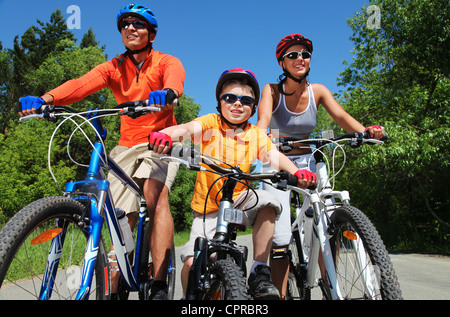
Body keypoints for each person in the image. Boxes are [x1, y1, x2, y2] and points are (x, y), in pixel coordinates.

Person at [18, 4, 186, 300]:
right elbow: (82, 84)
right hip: (126, 144)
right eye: (125, 24)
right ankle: (118, 277)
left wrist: (169, 93)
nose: (130, 28)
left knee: (155, 197)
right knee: (119, 212)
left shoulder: (164, 61)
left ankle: (159, 282)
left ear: (152, 34)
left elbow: (175, 77)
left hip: (162, 140)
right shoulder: (114, 66)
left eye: (138, 24)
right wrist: (46, 99)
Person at [148, 68, 316, 300]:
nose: (237, 104)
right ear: (219, 102)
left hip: (240, 198)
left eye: (246, 101)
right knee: (191, 262)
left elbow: (272, 155)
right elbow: (186, 129)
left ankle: (259, 270)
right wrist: (165, 134)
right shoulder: (211, 123)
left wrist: (297, 172)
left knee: (269, 202)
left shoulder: (255, 134)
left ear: (254, 108)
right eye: (230, 98)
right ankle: (191, 299)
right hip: (209, 208)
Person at [256, 33, 385, 299]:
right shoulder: (272, 91)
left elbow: (341, 116)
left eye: (304, 54)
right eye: (292, 55)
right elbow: (263, 120)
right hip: (279, 161)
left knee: (326, 220)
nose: (300, 58)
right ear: (282, 63)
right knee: (280, 238)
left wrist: (366, 132)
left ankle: (330, 288)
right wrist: (260, 136)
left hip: (310, 160)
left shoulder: (320, 91)